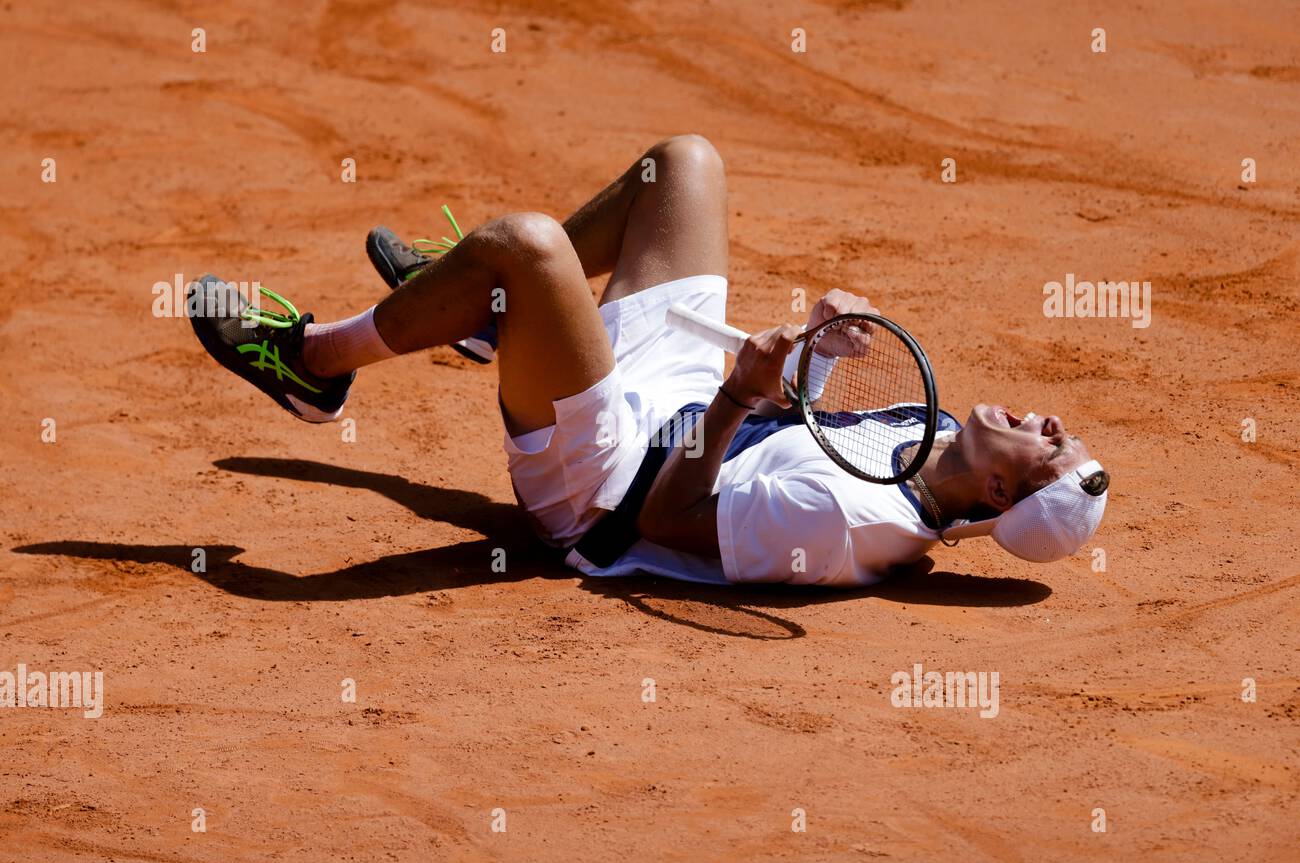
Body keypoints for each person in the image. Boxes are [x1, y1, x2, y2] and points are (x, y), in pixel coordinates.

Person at [187, 135, 1108, 587]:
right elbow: (805, 429)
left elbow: (669, 519)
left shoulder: (844, 522)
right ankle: (473, 307)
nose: (1056, 426)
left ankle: (316, 361)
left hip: (606, 487)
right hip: (682, 401)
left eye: (1052, 455)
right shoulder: (936, 440)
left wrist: (737, 401)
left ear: (997, 497)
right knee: (685, 164)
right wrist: (819, 352)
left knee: (529, 244)